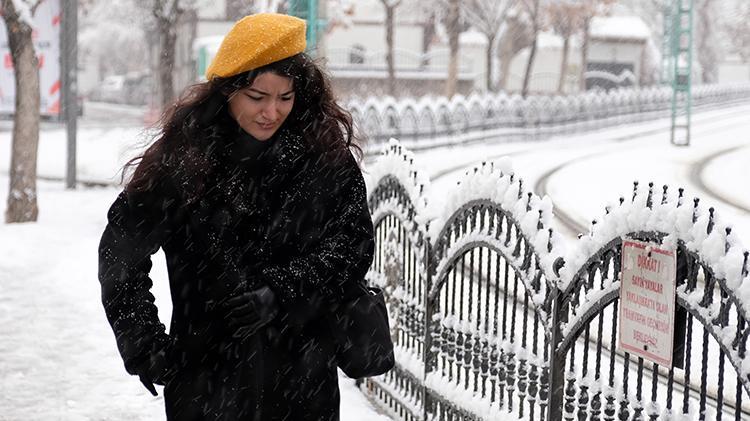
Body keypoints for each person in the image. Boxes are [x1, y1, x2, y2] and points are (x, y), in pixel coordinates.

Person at [98, 13, 375, 421]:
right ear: (227, 92)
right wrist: (144, 344)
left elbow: (353, 247)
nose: (271, 112)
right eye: (257, 96)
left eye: (285, 97)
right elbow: (121, 255)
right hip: (206, 381)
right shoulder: (182, 159)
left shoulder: (324, 160)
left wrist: (282, 291)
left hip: (303, 380)